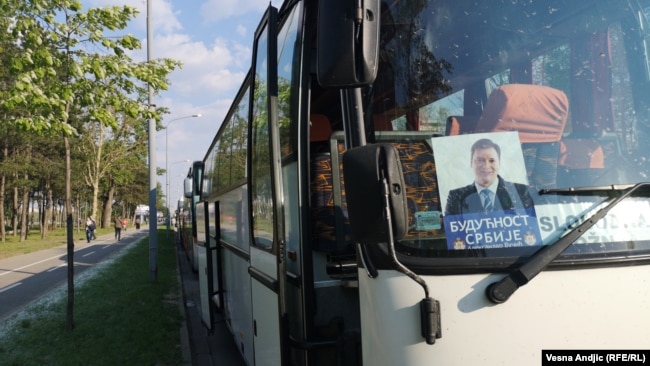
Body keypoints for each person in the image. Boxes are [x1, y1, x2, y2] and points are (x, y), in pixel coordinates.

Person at [445, 138, 534, 215]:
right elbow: (452, 229)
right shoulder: (456, 197)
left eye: (491, 160)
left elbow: (530, 226)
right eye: (480, 160)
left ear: (499, 163)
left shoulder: (521, 192)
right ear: (471, 162)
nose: (486, 165)